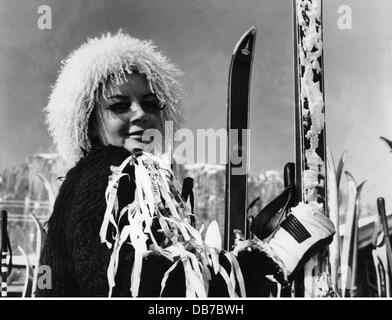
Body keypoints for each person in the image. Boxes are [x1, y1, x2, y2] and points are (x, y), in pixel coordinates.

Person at [36, 30, 335, 297]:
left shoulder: (105, 178)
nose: (140, 114)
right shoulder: (109, 170)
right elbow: (136, 289)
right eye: (119, 106)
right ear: (88, 124)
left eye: (151, 104)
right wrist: (271, 258)